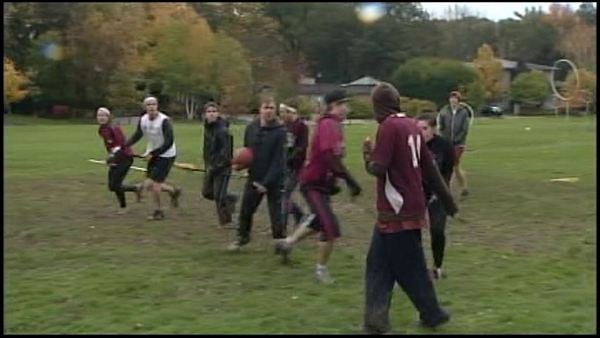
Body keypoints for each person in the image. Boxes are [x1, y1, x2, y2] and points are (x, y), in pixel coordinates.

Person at [361, 83, 458, 334]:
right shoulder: (411, 126)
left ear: (379, 105)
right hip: (407, 208)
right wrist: (449, 203)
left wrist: (367, 157)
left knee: (410, 268)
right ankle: (375, 320)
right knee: (377, 265)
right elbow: (430, 168)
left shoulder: (389, 127)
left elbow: (379, 169)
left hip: (397, 209)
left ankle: (432, 314)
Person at [275, 89, 362, 283]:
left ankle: (288, 243)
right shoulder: (329, 124)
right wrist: (350, 181)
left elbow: (333, 158)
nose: (347, 108)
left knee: (319, 221)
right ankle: (320, 270)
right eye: (344, 104)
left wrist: (334, 181)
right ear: (334, 106)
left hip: (321, 184)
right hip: (313, 184)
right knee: (330, 227)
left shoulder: (335, 125)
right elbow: (328, 156)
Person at [228, 96, 287, 251]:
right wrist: (240, 165)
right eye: (265, 108)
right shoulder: (251, 128)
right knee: (246, 210)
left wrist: (266, 183)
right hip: (255, 177)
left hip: (274, 179)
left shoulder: (280, 131)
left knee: (276, 213)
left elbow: (278, 161)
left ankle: (280, 243)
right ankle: (243, 237)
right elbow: (248, 152)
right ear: (260, 109)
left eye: (271, 108)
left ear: (275, 111)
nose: (268, 111)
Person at [122, 96, 182, 221]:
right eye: (149, 104)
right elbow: (138, 134)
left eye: (153, 104)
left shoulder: (164, 121)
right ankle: (174, 191)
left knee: (154, 185)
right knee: (151, 184)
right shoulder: (143, 119)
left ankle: (158, 211)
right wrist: (125, 146)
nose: (151, 107)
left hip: (166, 155)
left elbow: (169, 142)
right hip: (153, 153)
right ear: (145, 107)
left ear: (157, 106)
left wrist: (154, 153)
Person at [416, 111, 455, 280]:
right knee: (412, 231)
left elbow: (447, 172)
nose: (421, 132)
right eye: (417, 129)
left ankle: (437, 267)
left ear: (433, 129)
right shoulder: (412, 145)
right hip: (416, 193)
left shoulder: (444, 146)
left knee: (437, 230)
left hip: (437, 194)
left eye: (424, 128)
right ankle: (415, 267)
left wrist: (440, 192)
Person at [96, 107, 141, 214]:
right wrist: (111, 157)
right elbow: (110, 145)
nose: (101, 118)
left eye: (103, 115)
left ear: (108, 117)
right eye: (99, 115)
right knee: (112, 186)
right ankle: (135, 188)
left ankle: (123, 207)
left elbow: (121, 145)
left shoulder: (114, 128)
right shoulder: (101, 129)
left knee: (115, 185)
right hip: (116, 158)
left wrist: (112, 158)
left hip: (125, 158)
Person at [202, 102, 238, 228]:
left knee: (219, 196)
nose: (211, 114)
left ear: (218, 114)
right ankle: (231, 198)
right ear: (205, 114)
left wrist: (216, 166)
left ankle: (226, 222)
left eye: (214, 111)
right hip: (211, 166)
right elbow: (207, 148)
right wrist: (207, 164)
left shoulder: (222, 130)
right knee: (206, 192)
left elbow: (226, 153)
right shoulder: (207, 127)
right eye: (209, 112)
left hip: (223, 167)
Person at [280, 100, 309, 229]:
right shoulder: (285, 125)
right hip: (284, 165)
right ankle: (298, 214)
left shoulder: (301, 126)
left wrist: (290, 159)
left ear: (291, 112)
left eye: (284, 112)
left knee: (284, 194)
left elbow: (301, 148)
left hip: (295, 166)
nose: (282, 115)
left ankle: (282, 225)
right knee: (283, 194)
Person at [437, 91, 471, 197]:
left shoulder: (463, 112)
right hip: (447, 143)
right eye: (451, 98)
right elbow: (441, 127)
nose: (453, 100)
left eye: (455, 98)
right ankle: (462, 187)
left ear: (458, 100)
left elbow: (464, 129)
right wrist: (443, 138)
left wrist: (457, 139)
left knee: (454, 165)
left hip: (458, 144)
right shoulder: (444, 111)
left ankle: (459, 187)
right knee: (453, 166)